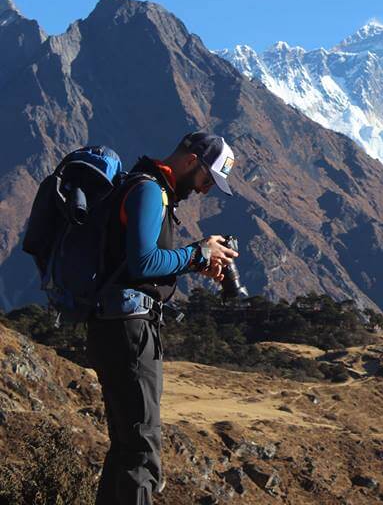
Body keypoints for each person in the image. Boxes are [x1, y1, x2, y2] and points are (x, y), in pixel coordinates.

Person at [87, 132, 240, 505]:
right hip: (129, 329)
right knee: (142, 450)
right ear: (191, 161)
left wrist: (194, 260)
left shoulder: (150, 190)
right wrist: (197, 255)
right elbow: (143, 261)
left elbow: (143, 262)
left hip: (119, 325)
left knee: (127, 447)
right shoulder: (148, 191)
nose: (205, 191)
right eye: (207, 180)